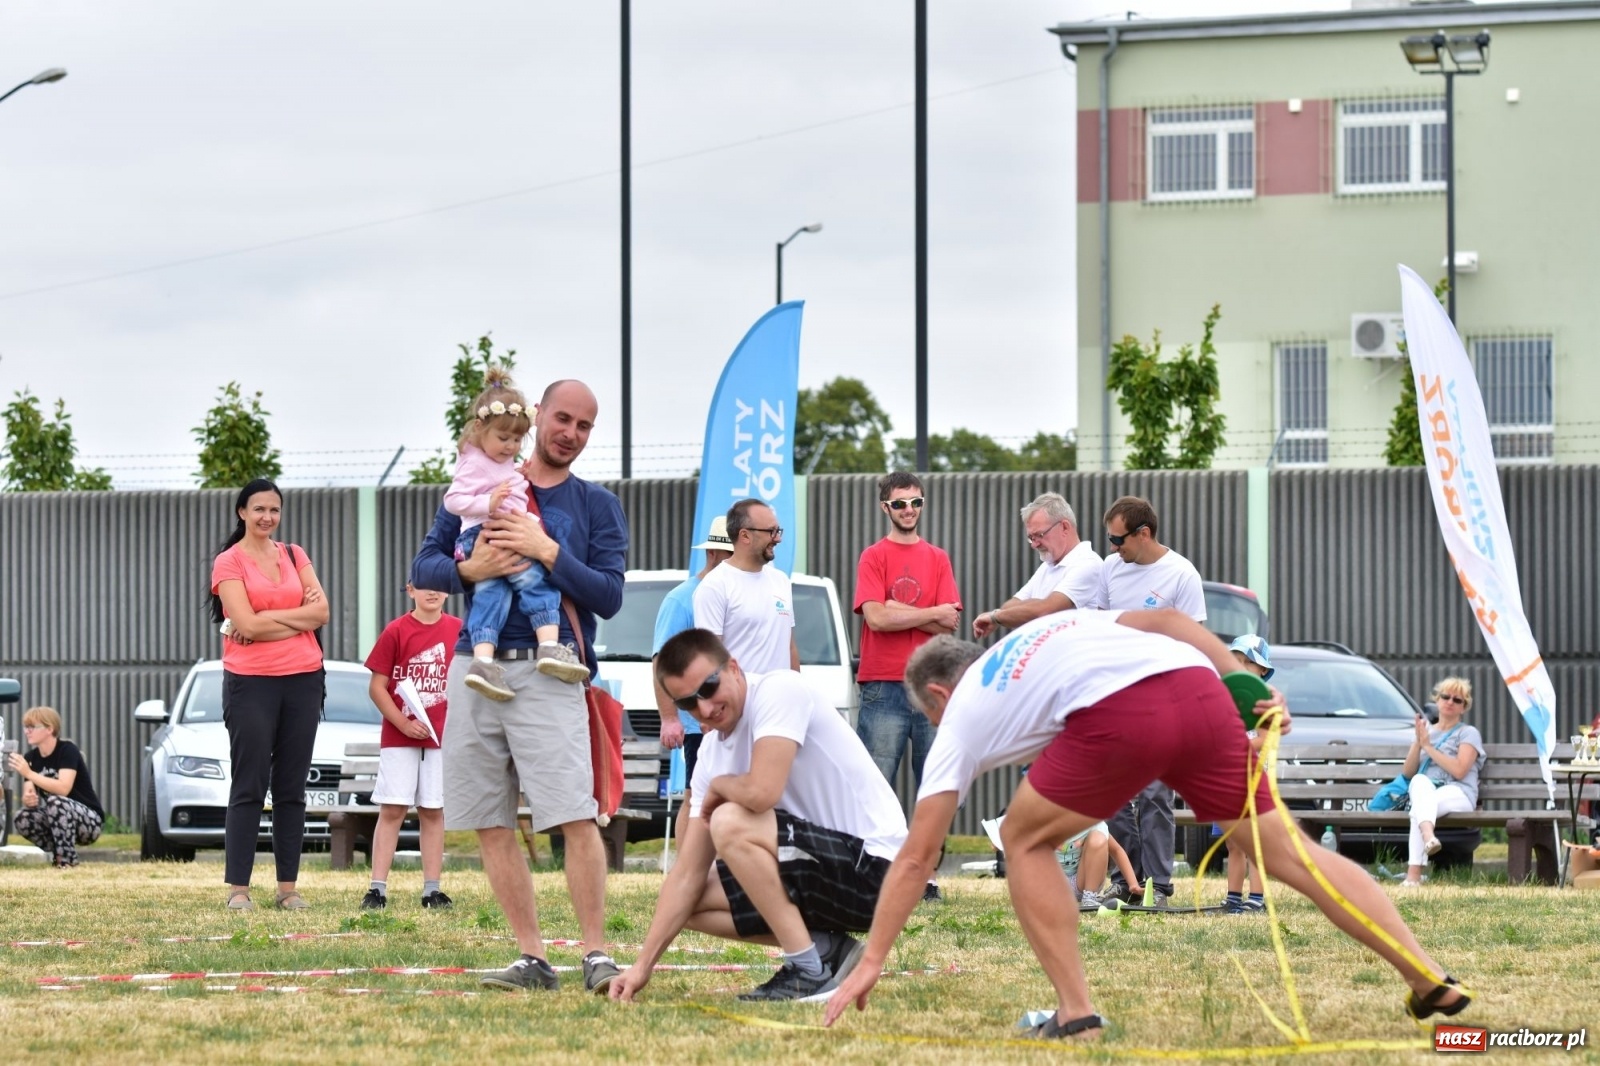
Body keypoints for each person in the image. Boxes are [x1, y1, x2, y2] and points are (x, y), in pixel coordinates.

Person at [824, 612, 1472, 1040]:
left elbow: (917, 855)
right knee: (1294, 857)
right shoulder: (1048, 631)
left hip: (1124, 713)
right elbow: (1165, 620)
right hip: (1198, 689)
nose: (939, 726)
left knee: (1024, 838)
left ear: (937, 695)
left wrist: (873, 956)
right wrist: (1244, 680)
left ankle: (1076, 1014)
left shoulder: (961, 711)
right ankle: (1426, 978)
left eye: (930, 717)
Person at [411, 378, 628, 995]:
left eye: (585, 426)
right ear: (538, 416)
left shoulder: (595, 505)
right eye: (563, 419)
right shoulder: (476, 478)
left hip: (549, 668)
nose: (571, 434)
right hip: (475, 667)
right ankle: (532, 957)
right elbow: (424, 564)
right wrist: (468, 569)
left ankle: (596, 954)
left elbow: (610, 596)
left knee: (574, 815)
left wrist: (547, 550)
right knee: (488, 819)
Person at [609, 628, 907, 1004]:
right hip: (824, 870)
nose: (704, 708)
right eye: (687, 703)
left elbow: (762, 791)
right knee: (687, 897)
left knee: (730, 820)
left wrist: (720, 787)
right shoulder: (712, 755)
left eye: (708, 687)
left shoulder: (779, 691)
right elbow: (686, 874)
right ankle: (825, 950)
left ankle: (808, 973)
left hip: (879, 872)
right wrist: (641, 967)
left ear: (733, 667)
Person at [209, 477, 329, 911]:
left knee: (291, 788)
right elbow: (246, 624)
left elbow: (323, 613)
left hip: (304, 679)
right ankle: (238, 890)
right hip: (250, 684)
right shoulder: (228, 563)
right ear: (242, 512)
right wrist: (296, 619)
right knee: (250, 784)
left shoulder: (295, 554)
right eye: (259, 509)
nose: (267, 517)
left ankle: (287, 889)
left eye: (274, 510)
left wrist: (268, 619)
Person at [445, 369, 589, 700]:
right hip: (485, 533)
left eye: (515, 441)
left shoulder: (502, 464)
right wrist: (470, 567)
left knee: (492, 594)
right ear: (480, 428)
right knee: (533, 582)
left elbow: (609, 596)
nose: (510, 447)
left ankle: (484, 662)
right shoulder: (474, 463)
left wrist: (541, 542)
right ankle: (548, 645)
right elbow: (451, 505)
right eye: (503, 439)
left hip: (497, 530)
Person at [853, 472, 960, 902]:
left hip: (931, 684)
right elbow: (875, 618)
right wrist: (926, 611)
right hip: (883, 685)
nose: (909, 511)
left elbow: (950, 620)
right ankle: (876, 873)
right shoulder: (872, 557)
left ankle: (926, 878)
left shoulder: (938, 557)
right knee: (875, 784)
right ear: (885, 508)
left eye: (915, 502)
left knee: (934, 785)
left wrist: (900, 608)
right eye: (900, 504)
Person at [1096, 495, 1205, 908]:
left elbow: (1193, 641)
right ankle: (1127, 882)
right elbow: (1100, 628)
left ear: (1144, 534)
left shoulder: (1181, 575)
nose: (1112, 548)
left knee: (1156, 794)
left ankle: (1160, 885)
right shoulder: (1110, 570)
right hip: (1117, 695)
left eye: (1117, 539)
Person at [360, 582, 463, 911]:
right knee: (392, 809)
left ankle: (431, 890)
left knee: (433, 810)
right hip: (400, 737)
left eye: (439, 586)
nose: (432, 592)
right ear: (409, 590)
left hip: (441, 739)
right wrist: (403, 723)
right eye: (424, 586)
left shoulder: (460, 631)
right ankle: (377, 889)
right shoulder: (396, 631)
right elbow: (377, 687)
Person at [652, 515, 735, 832]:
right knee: (696, 795)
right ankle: (687, 870)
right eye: (730, 556)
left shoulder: (731, 594)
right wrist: (669, 717)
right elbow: (661, 660)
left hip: (728, 715)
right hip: (697, 721)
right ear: (713, 553)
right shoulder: (681, 599)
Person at [693, 498, 799, 675]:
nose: (778, 538)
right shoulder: (715, 586)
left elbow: (789, 647)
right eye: (771, 532)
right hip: (741, 702)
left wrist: (798, 691)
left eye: (778, 530)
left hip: (780, 701)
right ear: (745, 536)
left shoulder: (780, 580)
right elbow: (710, 660)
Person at [972, 492, 1099, 640]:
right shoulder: (1048, 565)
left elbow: (1044, 611)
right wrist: (1034, 607)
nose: (1034, 544)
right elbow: (1009, 607)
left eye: (1040, 535)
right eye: (1031, 537)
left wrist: (996, 617)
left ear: (1064, 527)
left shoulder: (1087, 564)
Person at [1401, 677, 1484, 887]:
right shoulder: (1426, 731)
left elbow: (1459, 770)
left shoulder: (1468, 733)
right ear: (1437, 700)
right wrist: (1418, 743)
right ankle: (1429, 837)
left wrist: (1428, 747)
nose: (1450, 702)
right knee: (1419, 782)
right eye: (1445, 697)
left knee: (1418, 808)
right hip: (1428, 792)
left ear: (1463, 707)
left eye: (1457, 700)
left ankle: (1413, 876)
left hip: (1459, 792)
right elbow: (1409, 773)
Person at [8, 706, 103, 868]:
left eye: (32, 727)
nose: (27, 731)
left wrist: (29, 773)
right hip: (57, 820)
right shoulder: (30, 758)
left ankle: (67, 861)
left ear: (49, 729)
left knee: (56, 802)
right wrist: (29, 799)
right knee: (22, 817)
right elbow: (29, 795)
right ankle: (59, 854)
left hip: (88, 822)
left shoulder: (68, 750)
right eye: (26, 727)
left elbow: (63, 789)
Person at [1222, 634, 1273, 913]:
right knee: (1233, 843)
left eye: (1248, 662)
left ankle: (1256, 898)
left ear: (1262, 669)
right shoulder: (1227, 698)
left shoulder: (1263, 700)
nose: (1240, 667)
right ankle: (1232, 897)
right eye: (1236, 660)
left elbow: (1264, 738)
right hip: (1229, 781)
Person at [1060, 821, 1137, 909]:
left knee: (1099, 836)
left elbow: (1117, 851)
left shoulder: (1093, 823)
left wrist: (1133, 884)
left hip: (1080, 883)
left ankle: (1089, 898)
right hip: (1051, 884)